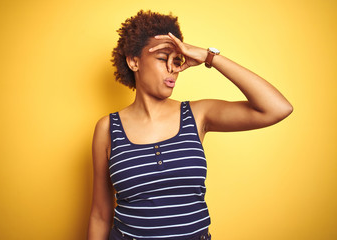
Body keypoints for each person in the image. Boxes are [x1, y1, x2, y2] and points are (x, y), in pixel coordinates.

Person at [87, 10, 293, 240]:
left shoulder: (197, 115)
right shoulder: (107, 128)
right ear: (134, 61)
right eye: (162, 58)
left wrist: (209, 57)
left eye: (177, 60)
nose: (172, 68)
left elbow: (277, 108)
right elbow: (100, 215)